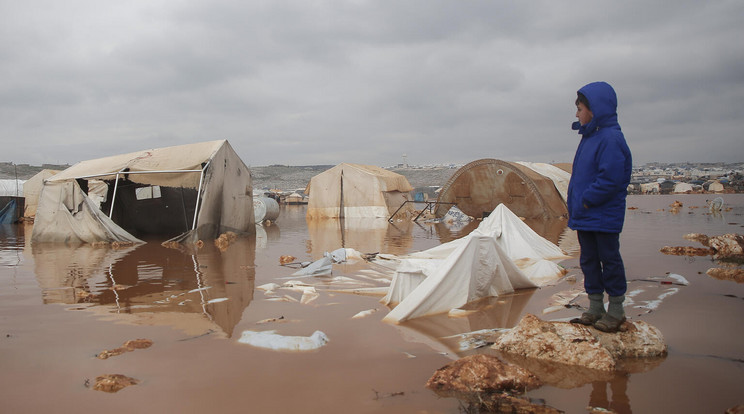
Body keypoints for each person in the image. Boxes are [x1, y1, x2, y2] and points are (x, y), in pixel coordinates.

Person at [567, 81, 632, 333]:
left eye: (580, 108)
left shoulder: (610, 138)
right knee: (589, 260)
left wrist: (586, 199)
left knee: (609, 259)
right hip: (587, 215)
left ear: (594, 109)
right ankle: (596, 307)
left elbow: (611, 178)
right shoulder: (590, 137)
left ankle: (616, 309)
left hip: (602, 214)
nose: (576, 114)